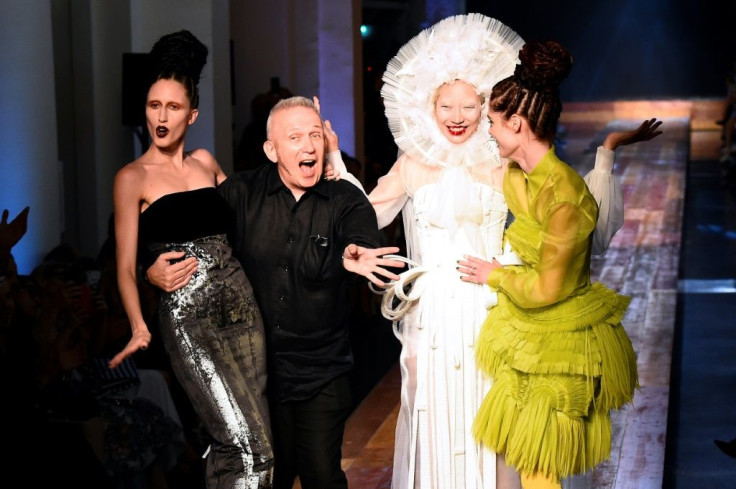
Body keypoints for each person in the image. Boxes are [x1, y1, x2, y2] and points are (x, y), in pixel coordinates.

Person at [325, 13, 660, 489]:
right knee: (432, 411)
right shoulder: (412, 163)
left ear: (488, 107)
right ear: (429, 106)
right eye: (446, 105)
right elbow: (366, 213)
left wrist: (604, 155)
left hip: (492, 307)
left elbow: (560, 213)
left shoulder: (502, 164)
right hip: (432, 312)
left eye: (470, 104)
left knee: (494, 423)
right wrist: (338, 170)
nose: (458, 116)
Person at [145, 95, 404, 489]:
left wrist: (358, 256)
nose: (309, 146)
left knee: (321, 473)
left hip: (322, 369)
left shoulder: (344, 199)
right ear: (272, 149)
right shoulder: (239, 193)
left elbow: (364, 242)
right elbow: (179, 228)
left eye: (315, 135)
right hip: (255, 373)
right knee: (268, 476)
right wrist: (148, 268)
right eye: (295, 137)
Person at [457, 40, 639, 489]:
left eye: (494, 124)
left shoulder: (565, 197)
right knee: (509, 446)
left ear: (516, 123)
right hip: (527, 333)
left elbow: (548, 290)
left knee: (538, 461)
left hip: (560, 340)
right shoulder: (521, 176)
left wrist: (494, 273)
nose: (490, 133)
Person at [109, 30, 273, 488]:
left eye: (173, 107)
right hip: (189, 319)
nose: (161, 117)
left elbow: (251, 213)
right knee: (249, 446)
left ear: (192, 114)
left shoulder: (205, 161)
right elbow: (123, 265)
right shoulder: (132, 177)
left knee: (243, 440)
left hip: (242, 309)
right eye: (153, 105)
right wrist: (141, 320)